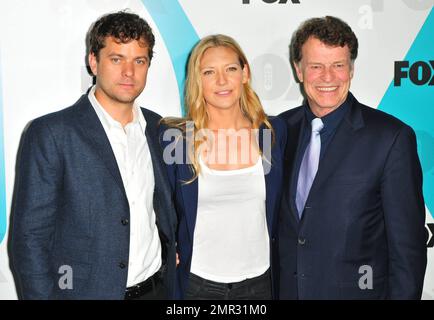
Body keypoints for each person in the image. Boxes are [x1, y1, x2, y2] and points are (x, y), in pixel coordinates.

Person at [11, 11, 177, 300]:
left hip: (156, 291)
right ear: (93, 61)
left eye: (139, 61)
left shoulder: (157, 128)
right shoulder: (52, 133)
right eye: (117, 59)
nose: (129, 72)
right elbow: (29, 240)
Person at [278, 16, 427, 299]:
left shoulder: (391, 138)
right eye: (316, 67)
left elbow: (408, 249)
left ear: (352, 69)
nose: (328, 77)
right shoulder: (280, 131)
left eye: (338, 65)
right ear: (298, 70)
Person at [160, 34, 287, 299]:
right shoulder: (179, 139)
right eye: (209, 72)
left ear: (245, 73)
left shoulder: (272, 133)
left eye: (230, 68)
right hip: (197, 284)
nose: (221, 81)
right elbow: (160, 202)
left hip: (261, 283)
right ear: (197, 81)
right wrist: (166, 249)